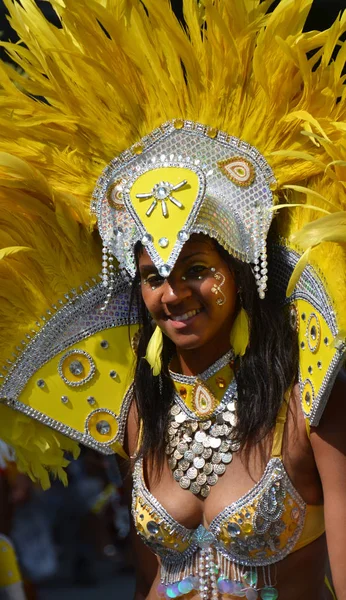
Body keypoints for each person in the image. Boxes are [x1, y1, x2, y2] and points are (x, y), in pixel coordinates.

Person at [0, 1, 345, 599]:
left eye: (198, 270)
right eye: (155, 275)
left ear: (240, 275)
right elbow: (146, 579)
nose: (174, 293)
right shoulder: (140, 412)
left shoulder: (306, 401)